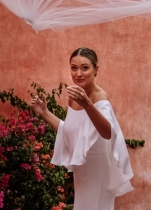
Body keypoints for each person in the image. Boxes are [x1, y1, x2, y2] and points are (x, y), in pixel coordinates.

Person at [30, 47, 133, 210]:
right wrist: (45, 112)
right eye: (74, 67)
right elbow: (70, 132)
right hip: (82, 168)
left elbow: (107, 132)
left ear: (95, 69)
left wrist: (87, 104)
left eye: (85, 67)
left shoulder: (100, 97)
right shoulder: (74, 98)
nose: (78, 73)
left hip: (98, 168)